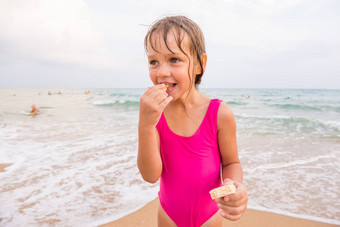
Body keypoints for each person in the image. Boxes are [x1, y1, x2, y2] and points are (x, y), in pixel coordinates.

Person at [137, 16, 248, 227]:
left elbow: (232, 162)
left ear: (199, 64)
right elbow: (150, 175)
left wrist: (234, 186)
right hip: (168, 218)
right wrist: (145, 126)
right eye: (153, 61)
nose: (161, 72)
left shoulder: (219, 113)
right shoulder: (155, 115)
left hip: (209, 218)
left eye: (174, 59)